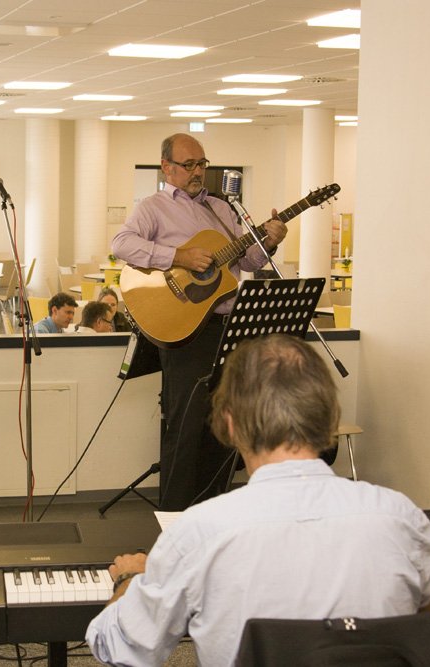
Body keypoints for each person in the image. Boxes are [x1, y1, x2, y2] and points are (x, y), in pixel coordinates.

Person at [86, 334, 430, 666]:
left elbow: (116, 648)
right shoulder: (400, 516)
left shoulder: (199, 534)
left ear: (229, 423)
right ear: (330, 417)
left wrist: (130, 581)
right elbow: (423, 617)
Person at [111, 133, 288, 510]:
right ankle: (175, 516)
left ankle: (215, 510)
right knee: (186, 428)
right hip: (186, 330)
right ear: (167, 167)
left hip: (227, 328)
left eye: (202, 164)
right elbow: (121, 244)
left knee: (224, 425)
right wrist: (179, 257)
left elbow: (246, 261)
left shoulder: (220, 208)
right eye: (188, 164)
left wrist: (269, 241)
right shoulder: (153, 207)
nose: (197, 172)